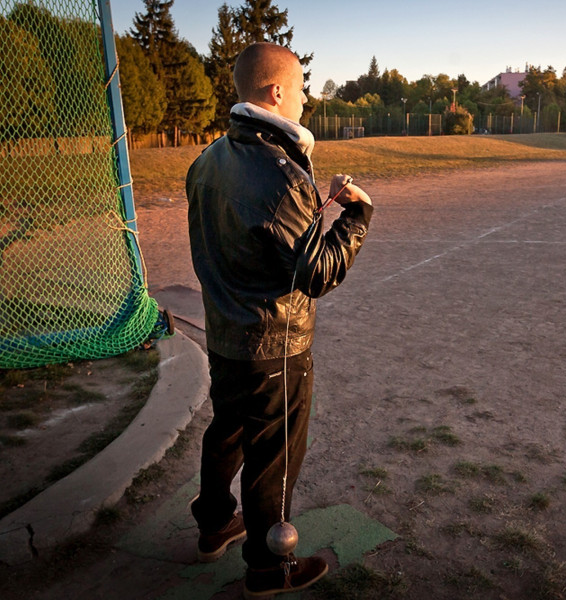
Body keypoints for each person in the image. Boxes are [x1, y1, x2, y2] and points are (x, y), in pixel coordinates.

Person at [185, 42, 372, 598]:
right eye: (302, 91)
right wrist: (357, 216)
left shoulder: (207, 159)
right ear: (276, 93)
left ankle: (215, 521)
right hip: (274, 344)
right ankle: (269, 568)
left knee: (228, 430)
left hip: (225, 332)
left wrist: (309, 217)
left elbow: (248, 238)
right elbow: (317, 275)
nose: (305, 100)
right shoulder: (284, 176)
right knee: (274, 455)